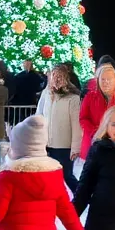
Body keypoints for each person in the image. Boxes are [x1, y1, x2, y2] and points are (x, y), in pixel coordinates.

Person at [37, 63, 80, 191]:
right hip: (47, 144)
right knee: (48, 177)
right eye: (54, 75)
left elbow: (76, 124)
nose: (56, 79)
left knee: (67, 176)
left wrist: (75, 147)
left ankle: (83, 198)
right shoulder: (46, 94)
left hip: (64, 146)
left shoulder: (73, 98)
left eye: (59, 76)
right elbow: (39, 115)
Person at [78, 63, 115, 161]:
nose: (106, 82)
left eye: (109, 79)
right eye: (103, 79)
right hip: (93, 142)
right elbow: (83, 118)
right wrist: (95, 131)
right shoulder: (89, 97)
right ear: (98, 81)